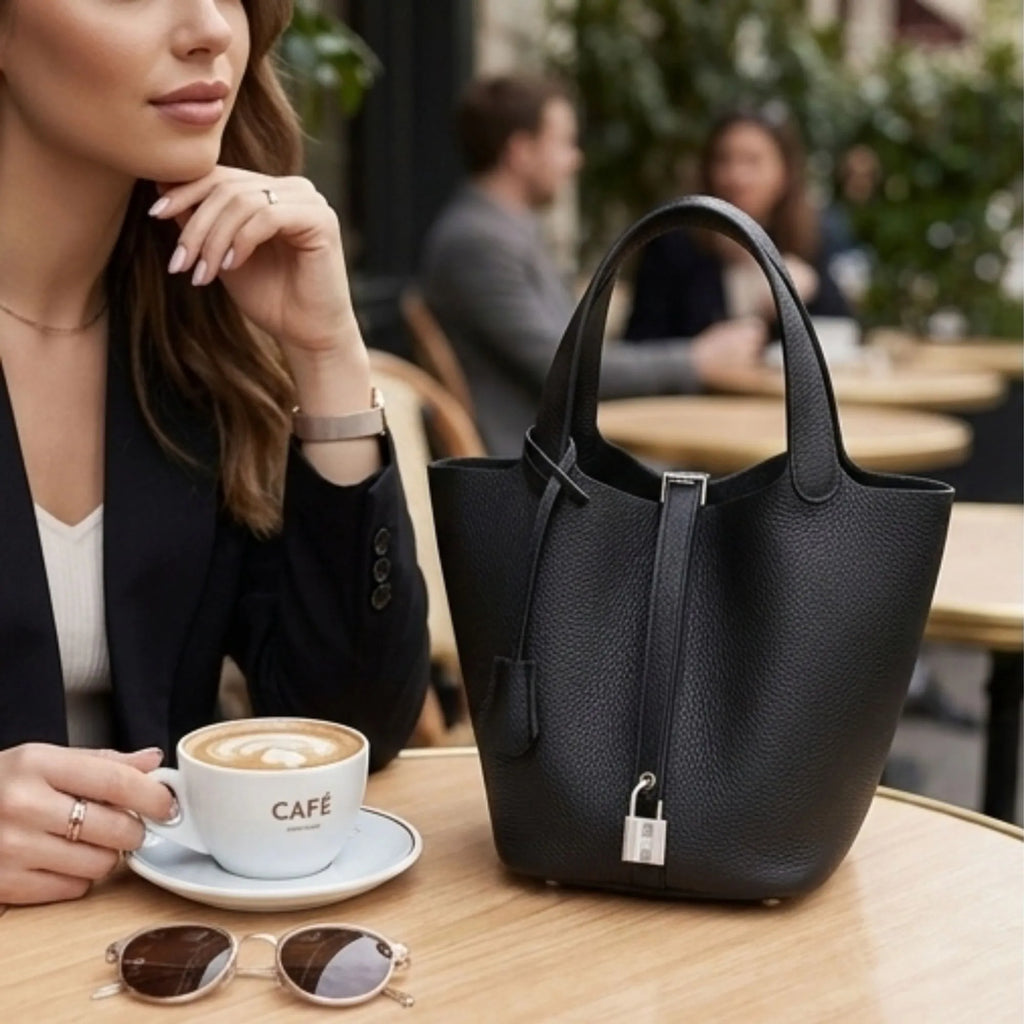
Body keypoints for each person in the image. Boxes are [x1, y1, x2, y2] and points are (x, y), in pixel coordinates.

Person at [0, 1, 428, 906]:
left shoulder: (197, 336)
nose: (210, 29)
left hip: (174, 953)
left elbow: (352, 724)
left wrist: (326, 353)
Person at [419, 76, 766, 457]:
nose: (575, 160)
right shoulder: (478, 243)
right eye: (564, 143)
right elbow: (567, 371)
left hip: (559, 455)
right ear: (521, 151)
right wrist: (695, 360)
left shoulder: (501, 232)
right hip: (540, 468)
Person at [625, 108, 853, 344]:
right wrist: (696, 354)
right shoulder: (673, 238)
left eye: (753, 161)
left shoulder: (810, 234)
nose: (736, 176)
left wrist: (811, 287)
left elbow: (843, 330)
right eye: (723, 160)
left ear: (785, 172)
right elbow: (639, 343)